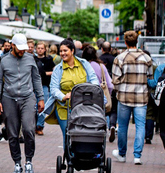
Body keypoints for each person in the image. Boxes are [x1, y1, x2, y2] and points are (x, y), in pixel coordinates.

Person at [0, 33, 44, 173]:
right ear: (12, 45)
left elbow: (36, 78)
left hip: (27, 98)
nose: (22, 51)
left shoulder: (30, 58)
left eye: (24, 49)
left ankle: (28, 161)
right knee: (12, 133)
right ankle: (17, 163)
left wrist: (40, 97)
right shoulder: (3, 60)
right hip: (9, 98)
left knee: (28, 129)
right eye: (19, 49)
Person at [44, 40, 101, 159]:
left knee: (83, 132)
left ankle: (85, 156)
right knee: (67, 134)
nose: (63, 53)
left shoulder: (84, 64)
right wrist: (63, 96)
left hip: (84, 107)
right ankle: (70, 159)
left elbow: (94, 80)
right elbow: (53, 88)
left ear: (73, 51)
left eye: (65, 50)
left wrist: (90, 90)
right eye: (61, 51)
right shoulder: (58, 69)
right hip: (64, 107)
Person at [111, 31, 153, 165]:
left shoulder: (120, 58)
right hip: (141, 97)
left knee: (123, 126)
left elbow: (115, 80)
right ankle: (137, 156)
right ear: (137, 42)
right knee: (141, 126)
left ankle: (122, 154)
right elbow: (150, 79)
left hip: (124, 96)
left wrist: (120, 89)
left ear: (125, 42)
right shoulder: (146, 58)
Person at [34, 42, 56, 136]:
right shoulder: (33, 59)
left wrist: (45, 74)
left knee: (42, 107)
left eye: (41, 48)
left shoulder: (49, 59)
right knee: (33, 107)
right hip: (33, 86)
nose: (40, 50)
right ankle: (33, 125)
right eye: (38, 48)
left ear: (45, 49)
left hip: (44, 85)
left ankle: (39, 126)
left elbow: (54, 70)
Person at [99, 41, 118, 140]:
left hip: (102, 87)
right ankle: (113, 125)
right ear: (110, 49)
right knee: (113, 109)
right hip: (113, 86)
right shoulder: (115, 59)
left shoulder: (99, 60)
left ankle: (104, 126)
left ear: (102, 49)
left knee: (103, 107)